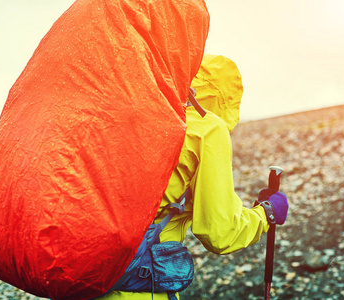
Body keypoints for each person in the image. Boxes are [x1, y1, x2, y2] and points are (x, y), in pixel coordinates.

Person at [97, 54, 289, 300]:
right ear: (226, 99)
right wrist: (266, 214)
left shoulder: (134, 121)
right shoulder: (205, 129)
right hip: (137, 287)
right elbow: (221, 232)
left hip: (78, 280)